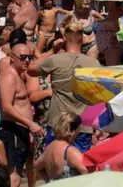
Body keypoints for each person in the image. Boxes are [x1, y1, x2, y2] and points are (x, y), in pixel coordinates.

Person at [27, 22, 101, 153]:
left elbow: (30, 69)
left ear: (65, 38)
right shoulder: (93, 63)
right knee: (79, 166)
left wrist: (52, 50)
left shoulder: (55, 60)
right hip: (83, 126)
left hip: (57, 123)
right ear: (82, 39)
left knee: (55, 165)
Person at [0, 43, 43, 187]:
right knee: (14, 177)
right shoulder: (9, 76)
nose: (27, 61)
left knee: (17, 174)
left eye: (29, 57)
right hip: (12, 131)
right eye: (23, 57)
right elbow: (6, 107)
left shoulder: (17, 75)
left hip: (19, 131)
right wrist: (30, 123)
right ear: (11, 57)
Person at [34, 112, 88, 181]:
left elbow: (36, 166)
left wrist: (48, 182)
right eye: (78, 129)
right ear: (72, 130)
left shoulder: (49, 148)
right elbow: (85, 171)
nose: (79, 132)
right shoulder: (70, 151)